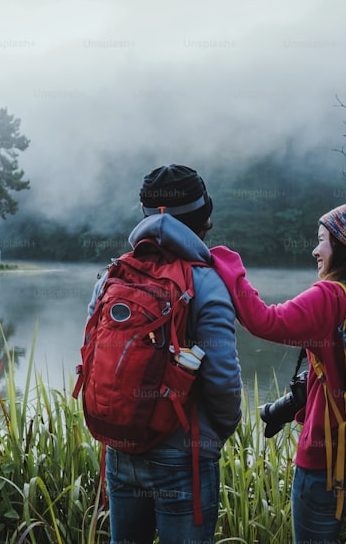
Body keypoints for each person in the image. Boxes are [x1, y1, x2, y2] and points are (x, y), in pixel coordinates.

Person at [211, 201, 346, 543]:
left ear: (343, 245)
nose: (314, 250)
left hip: (331, 462)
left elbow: (264, 320)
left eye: (321, 239)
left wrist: (228, 264)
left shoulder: (331, 296)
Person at [91, 164, 243, 544]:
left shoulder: (114, 275)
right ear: (203, 219)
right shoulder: (207, 282)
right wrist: (217, 433)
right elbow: (223, 379)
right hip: (186, 456)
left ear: (144, 213)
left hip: (121, 449)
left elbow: (96, 356)